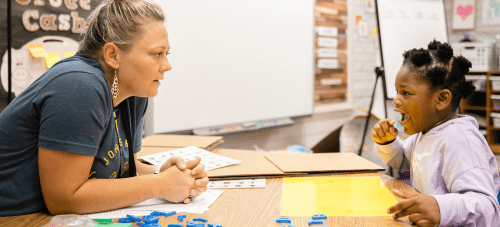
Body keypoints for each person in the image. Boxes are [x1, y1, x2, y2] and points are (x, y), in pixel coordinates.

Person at [0, 0, 209, 216]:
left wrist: (162, 173)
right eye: (157, 53)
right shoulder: (78, 85)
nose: (167, 65)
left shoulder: (133, 93)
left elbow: (123, 169)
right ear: (113, 55)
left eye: (167, 54)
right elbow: (64, 200)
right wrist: (160, 184)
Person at [371, 40, 500, 226]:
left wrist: (439, 207)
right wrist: (387, 143)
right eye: (397, 91)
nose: (396, 101)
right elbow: (403, 160)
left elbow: (487, 209)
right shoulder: (424, 133)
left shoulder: (460, 140)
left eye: (405, 93)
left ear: (441, 99)